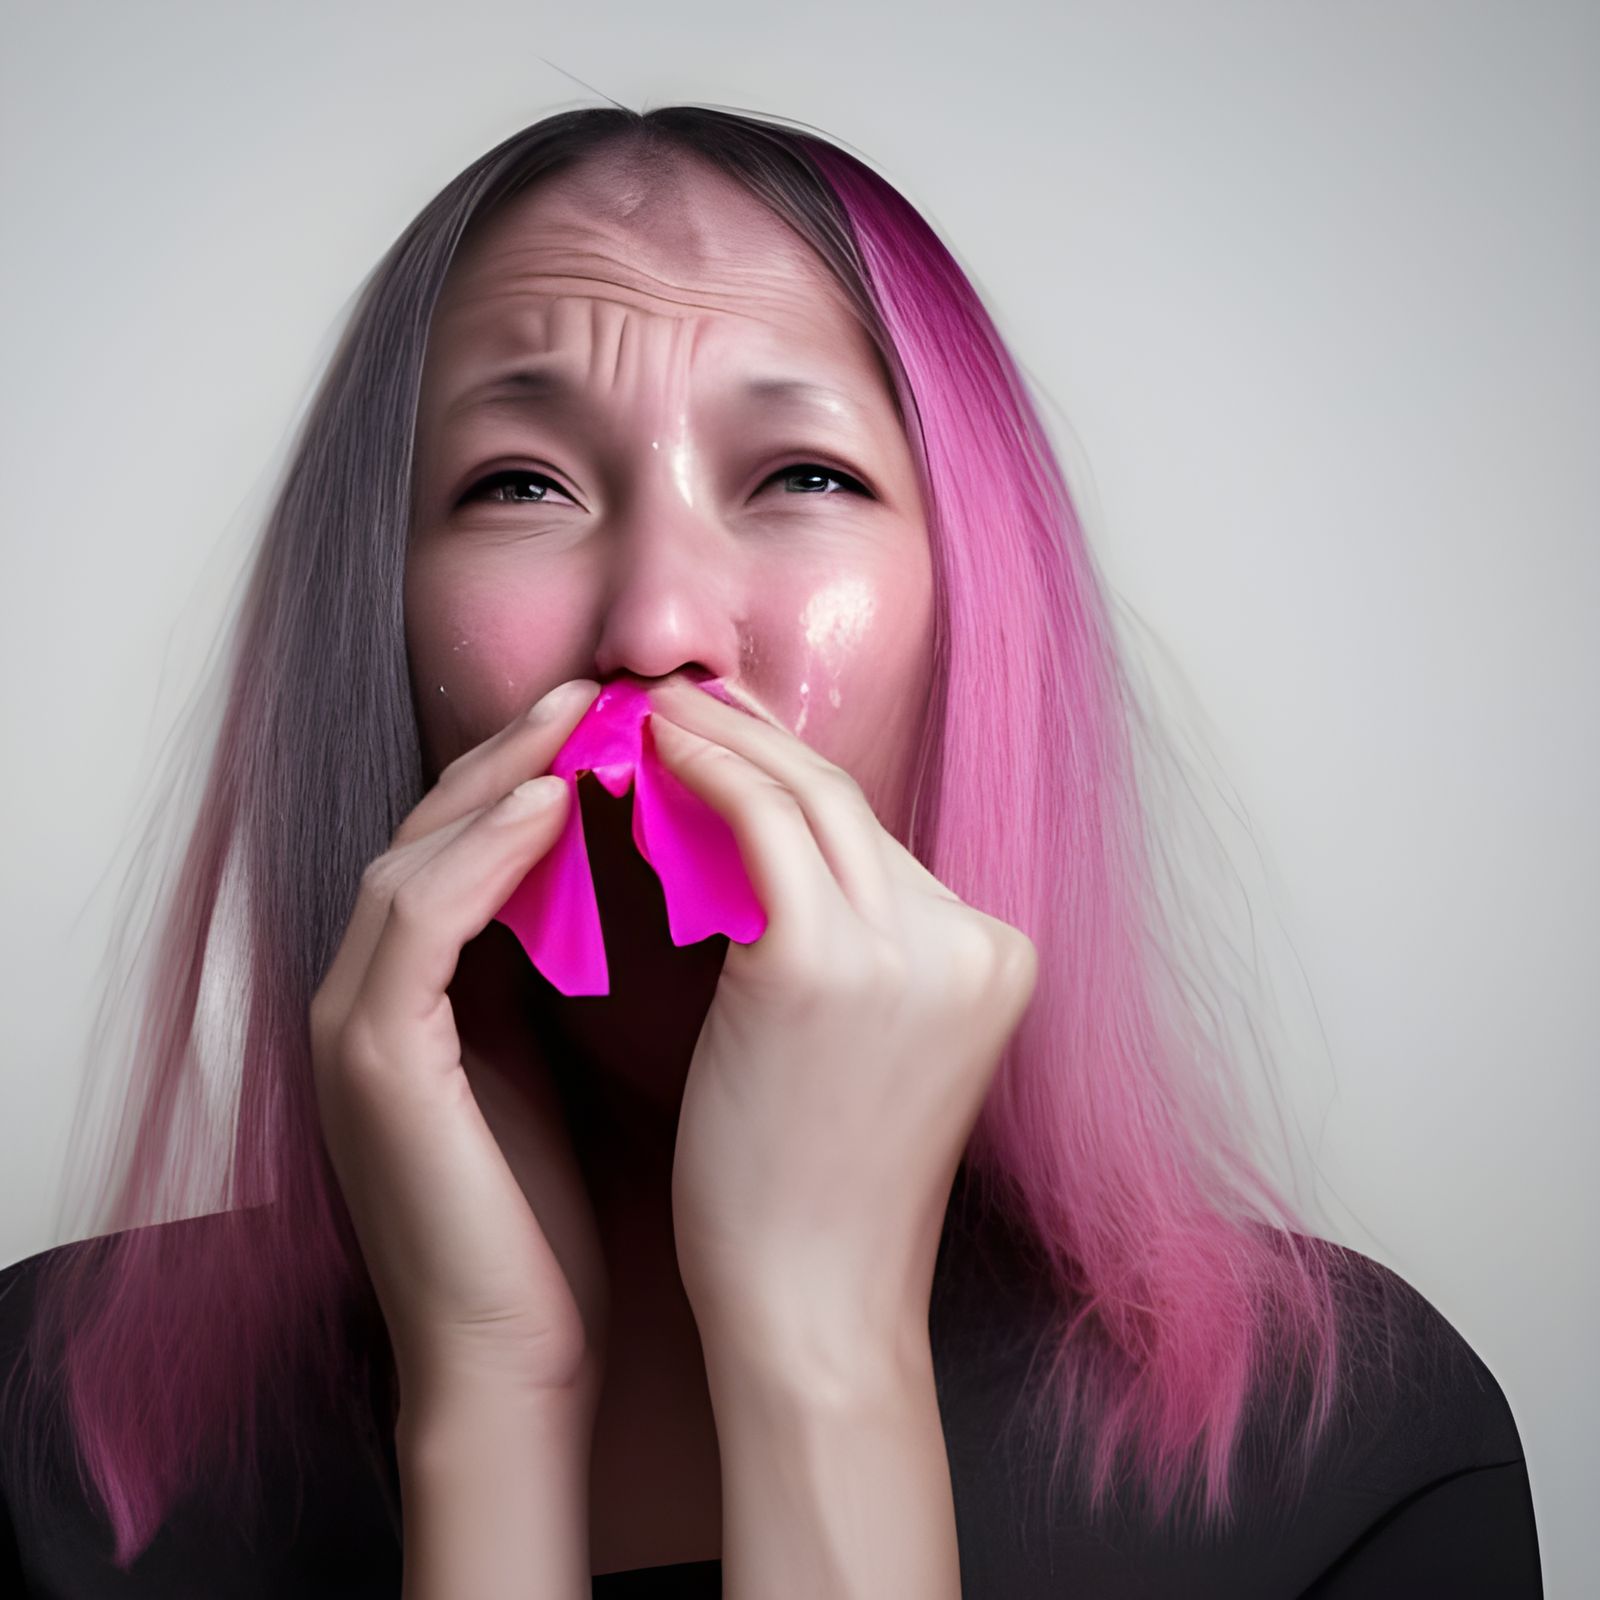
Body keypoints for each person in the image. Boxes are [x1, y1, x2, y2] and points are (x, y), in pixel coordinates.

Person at [0, 104, 1542, 1596]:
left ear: (978, 623)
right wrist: (488, 1402)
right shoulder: (40, 1441)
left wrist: (824, 1357)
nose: (658, 630)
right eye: (520, 484)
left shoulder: (1354, 1459)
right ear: (374, 625)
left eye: (802, 476)